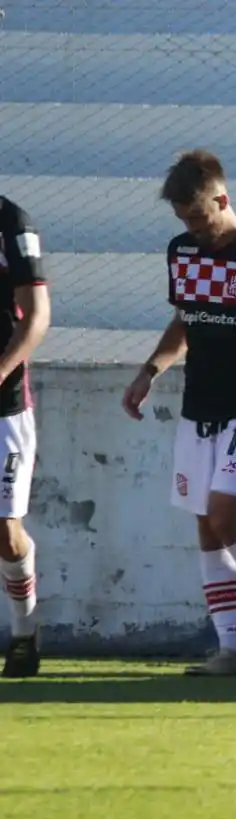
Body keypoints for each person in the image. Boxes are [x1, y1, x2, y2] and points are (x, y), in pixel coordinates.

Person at [121, 149, 236, 676]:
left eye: (198, 216)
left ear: (222, 199)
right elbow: (186, 318)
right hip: (198, 406)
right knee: (206, 525)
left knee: (227, 515)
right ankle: (229, 646)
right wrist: (149, 371)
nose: (192, 227)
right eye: (183, 219)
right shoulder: (182, 251)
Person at [0, 196, 52, 679]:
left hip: (5, 405)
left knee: (6, 532)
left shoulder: (12, 222)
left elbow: (36, 317)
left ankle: (24, 629)